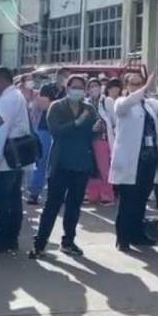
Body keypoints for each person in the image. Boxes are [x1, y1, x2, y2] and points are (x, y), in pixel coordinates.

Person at [30, 75, 98, 258]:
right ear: (67, 89)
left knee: (74, 205)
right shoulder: (57, 107)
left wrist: (97, 129)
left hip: (81, 162)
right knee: (52, 204)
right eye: (74, 87)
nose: (77, 91)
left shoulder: (89, 109)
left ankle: (68, 241)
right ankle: (40, 244)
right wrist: (76, 123)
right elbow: (56, 131)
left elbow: (92, 135)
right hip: (61, 162)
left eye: (81, 88)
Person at [109, 72, 158, 252]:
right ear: (126, 86)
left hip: (149, 159)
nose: (137, 87)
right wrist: (145, 89)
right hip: (131, 160)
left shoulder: (150, 105)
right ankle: (123, 238)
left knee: (141, 200)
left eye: (140, 84)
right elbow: (128, 102)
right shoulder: (122, 103)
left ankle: (137, 234)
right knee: (128, 200)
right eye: (133, 84)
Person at [0, 66, 32, 254]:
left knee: (2, 198)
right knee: (13, 198)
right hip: (16, 156)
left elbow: (1, 130)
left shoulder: (7, 100)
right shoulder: (16, 96)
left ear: (0, 80)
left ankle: (2, 238)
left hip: (7, 157)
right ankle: (11, 237)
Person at [26, 79, 60, 205]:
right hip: (43, 131)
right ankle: (34, 193)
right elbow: (42, 106)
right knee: (41, 163)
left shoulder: (62, 96)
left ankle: (41, 193)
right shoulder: (40, 99)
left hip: (52, 132)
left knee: (50, 164)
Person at [85, 77, 116, 205]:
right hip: (89, 139)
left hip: (102, 139)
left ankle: (107, 195)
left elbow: (114, 120)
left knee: (104, 168)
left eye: (96, 85)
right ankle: (92, 194)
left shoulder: (106, 101)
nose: (94, 88)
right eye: (91, 86)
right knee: (91, 168)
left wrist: (104, 124)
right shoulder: (86, 102)